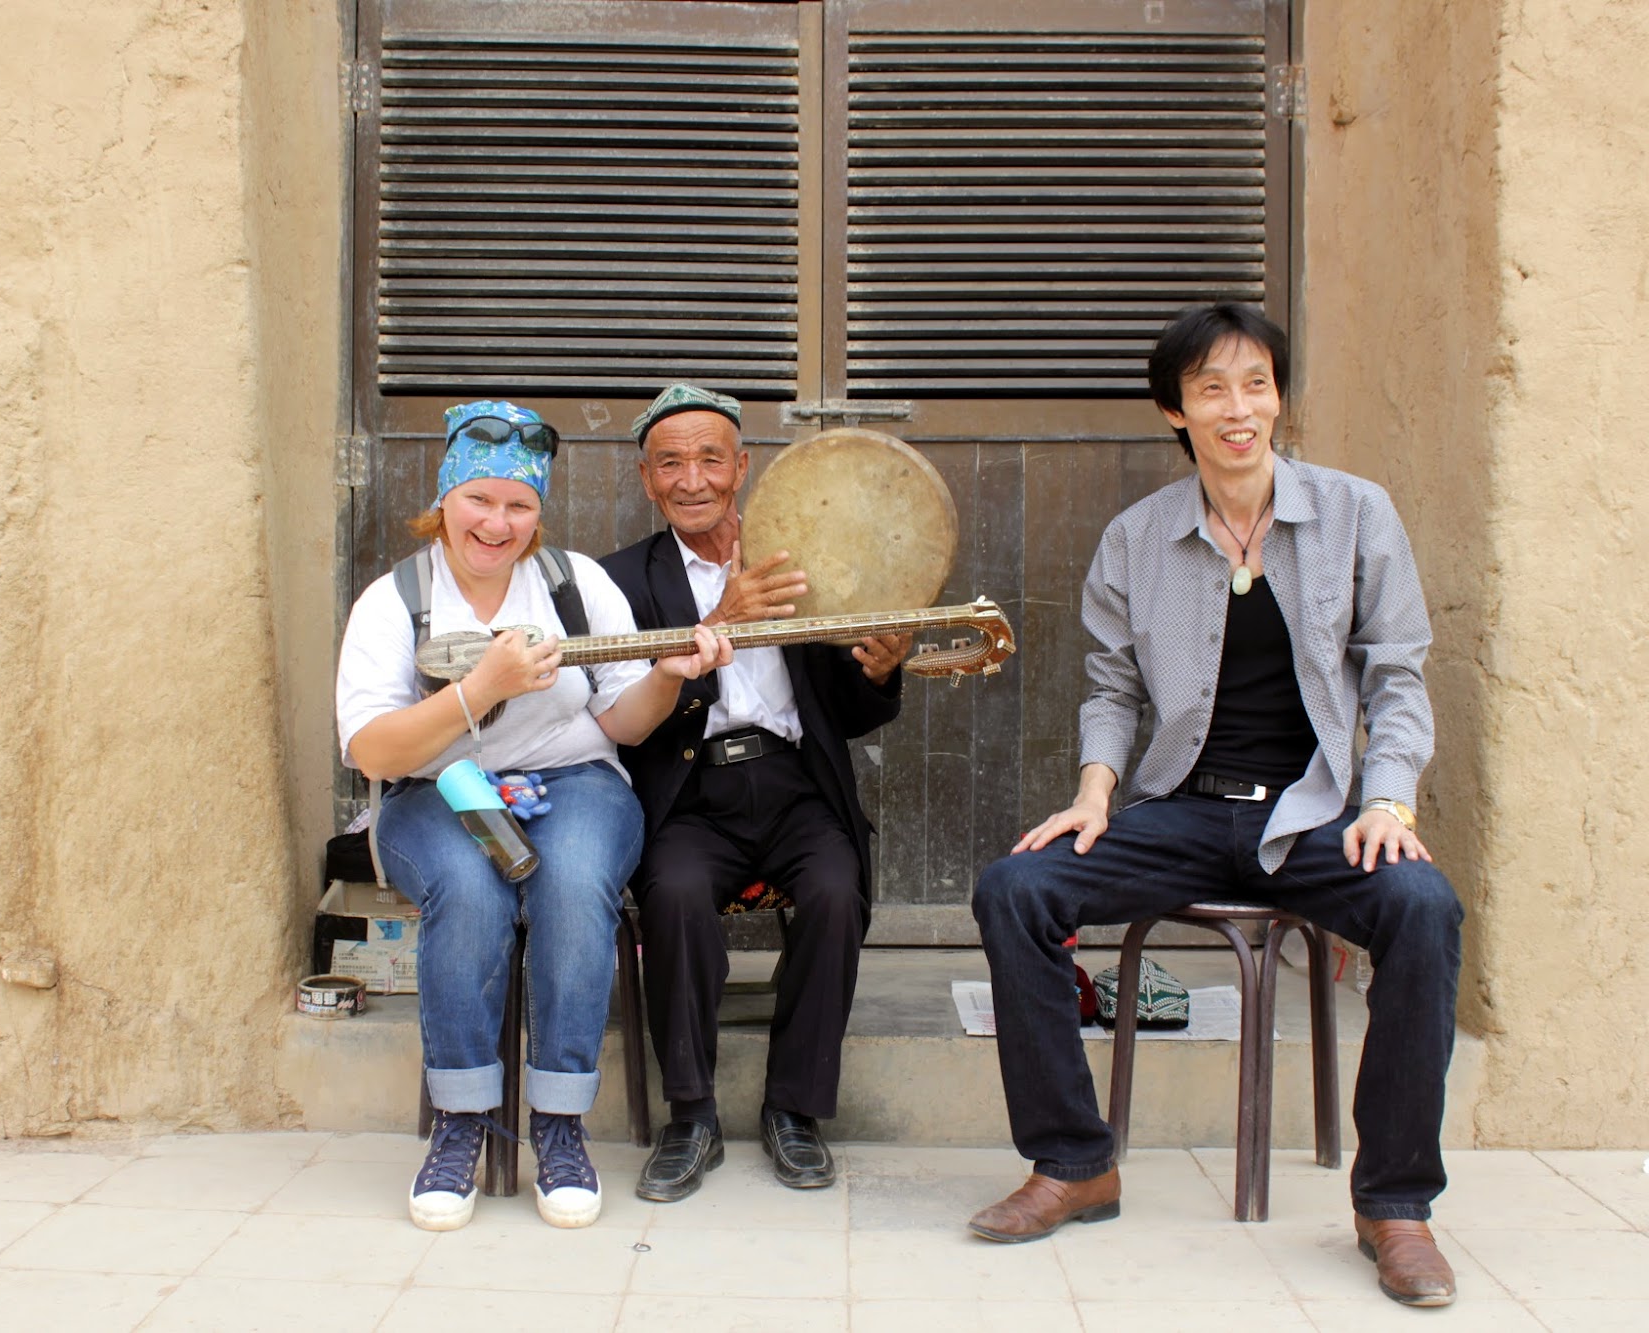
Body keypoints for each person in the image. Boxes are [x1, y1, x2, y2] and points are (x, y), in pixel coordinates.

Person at [967, 304, 1465, 1308]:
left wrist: (1386, 801)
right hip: (1185, 811)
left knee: (1423, 907)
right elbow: (1111, 686)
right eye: (1211, 390)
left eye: (1256, 385)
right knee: (1014, 888)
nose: (1238, 409)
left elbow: (1396, 676)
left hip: (1315, 815)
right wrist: (1094, 793)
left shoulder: (1356, 513)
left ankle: (1395, 1205)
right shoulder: (1135, 537)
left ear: (1277, 398)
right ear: (1174, 410)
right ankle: (1073, 1162)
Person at [336, 399, 730, 1233]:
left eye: (519, 505)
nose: (497, 523)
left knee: (574, 881)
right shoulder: (394, 599)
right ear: (444, 498)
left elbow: (624, 722)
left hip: (574, 780)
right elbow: (372, 751)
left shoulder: (572, 585)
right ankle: (461, 1120)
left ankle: (558, 1120)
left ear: (538, 512)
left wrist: (668, 675)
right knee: (467, 888)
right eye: (479, 499)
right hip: (437, 790)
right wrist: (480, 689)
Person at [598, 384, 911, 1202]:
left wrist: (879, 672)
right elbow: (627, 722)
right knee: (674, 894)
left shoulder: (802, 560)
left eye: (710, 459)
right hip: (690, 788)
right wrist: (720, 622)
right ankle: (690, 1115)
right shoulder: (619, 582)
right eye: (671, 463)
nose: (692, 479)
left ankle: (794, 1110)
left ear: (742, 468)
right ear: (646, 479)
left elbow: (846, 710)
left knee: (836, 889)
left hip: (795, 782)